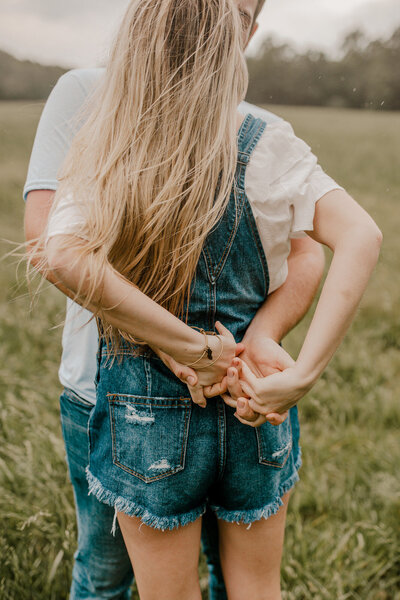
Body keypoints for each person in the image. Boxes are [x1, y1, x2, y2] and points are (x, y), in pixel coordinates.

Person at [27, 0, 382, 598]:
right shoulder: (266, 140)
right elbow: (360, 235)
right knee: (256, 590)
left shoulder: (112, 132)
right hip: (254, 400)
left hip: (145, 412)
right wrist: (304, 374)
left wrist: (191, 350)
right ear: (232, 37)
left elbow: (60, 253)